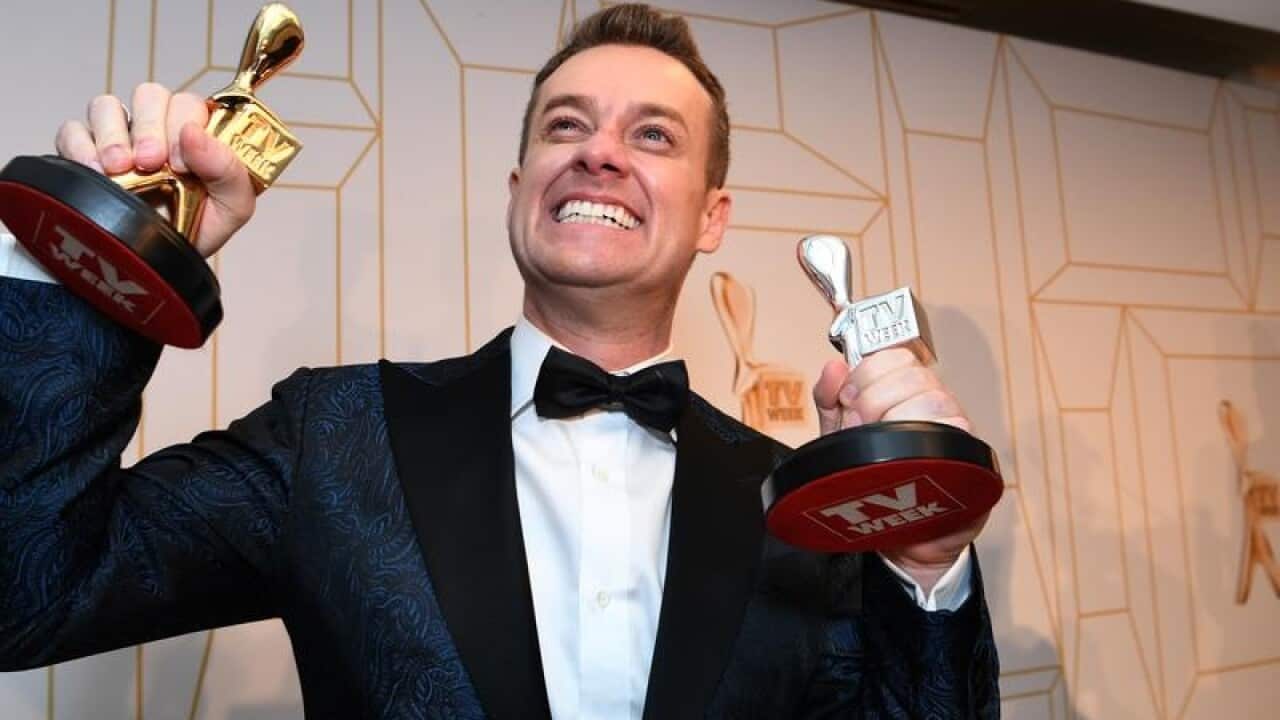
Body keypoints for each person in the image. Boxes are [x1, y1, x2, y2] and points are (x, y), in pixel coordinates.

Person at [0, 4, 998, 718]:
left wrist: (922, 566)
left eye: (651, 135)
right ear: (522, 185)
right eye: (566, 125)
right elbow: (26, 599)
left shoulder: (795, 507)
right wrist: (97, 268)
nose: (598, 153)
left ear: (711, 218)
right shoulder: (332, 437)